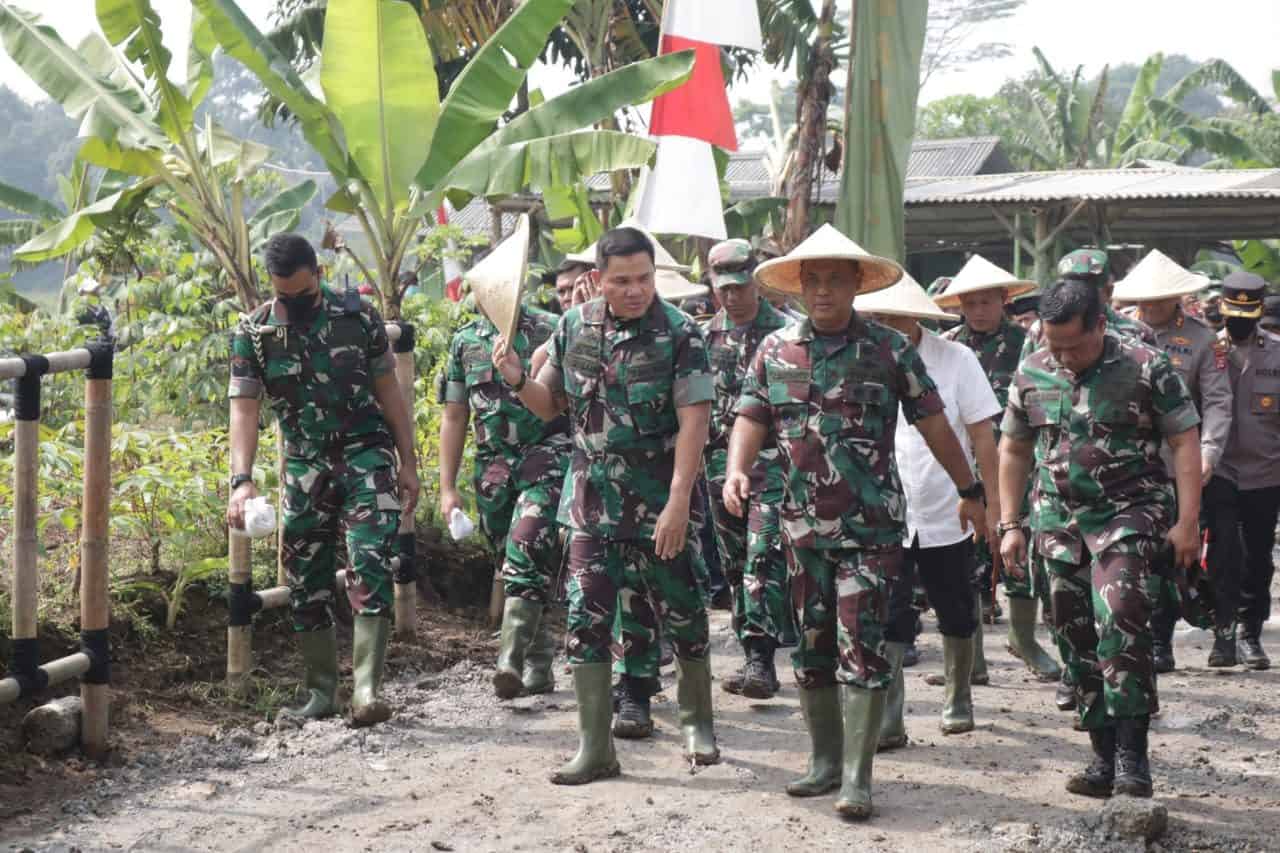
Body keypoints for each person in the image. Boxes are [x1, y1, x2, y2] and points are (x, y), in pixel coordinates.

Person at [724, 225, 986, 821]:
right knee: (811, 648)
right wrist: (737, 471)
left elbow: (935, 425)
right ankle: (822, 762)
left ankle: (857, 778)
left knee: (862, 647)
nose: (822, 291)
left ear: (855, 285)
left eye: (834, 280)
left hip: (870, 532)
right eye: (811, 280)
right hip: (798, 529)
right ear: (798, 288)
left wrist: (971, 490)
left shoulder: (889, 350)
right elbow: (750, 415)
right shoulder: (775, 350)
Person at [493, 226, 718, 784]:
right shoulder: (573, 327)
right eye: (622, 281)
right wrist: (518, 379)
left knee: (683, 611)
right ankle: (595, 747)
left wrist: (678, 502)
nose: (636, 290)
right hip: (591, 502)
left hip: (659, 500)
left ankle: (697, 724)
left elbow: (695, 420)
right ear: (598, 280)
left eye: (644, 278)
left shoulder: (681, 333)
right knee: (585, 619)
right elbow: (551, 405)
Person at [999, 278, 1201, 799]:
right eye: (1053, 343)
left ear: (1101, 325)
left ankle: (1134, 756)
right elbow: (1015, 449)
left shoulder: (1145, 366)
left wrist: (1188, 522)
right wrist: (1009, 524)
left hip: (1128, 515)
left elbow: (1183, 440)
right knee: (1073, 633)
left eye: (1073, 344)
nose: (1063, 356)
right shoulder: (1033, 369)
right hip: (1057, 523)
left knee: (1122, 621)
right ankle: (1102, 755)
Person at [227, 233, 420, 726]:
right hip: (305, 467)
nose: (292, 305)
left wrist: (408, 461)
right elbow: (244, 410)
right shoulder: (254, 333)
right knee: (305, 580)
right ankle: (320, 693)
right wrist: (241, 480)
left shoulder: (357, 318)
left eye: (302, 294)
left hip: (365, 454)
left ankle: (367, 689)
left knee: (371, 560)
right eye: (282, 296)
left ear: (318, 273)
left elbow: (388, 392)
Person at [857, 274, 1002, 747]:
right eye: (876, 317)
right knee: (890, 613)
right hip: (887, 510)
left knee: (956, 605)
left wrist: (989, 500)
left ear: (915, 315)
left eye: (892, 317)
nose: (884, 326)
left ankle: (958, 696)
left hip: (947, 505)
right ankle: (891, 717)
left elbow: (983, 433)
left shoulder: (957, 360)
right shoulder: (863, 357)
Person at [1019, 248, 1157, 713]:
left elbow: (1172, 428)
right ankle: (1084, 691)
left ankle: (1128, 735)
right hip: (1060, 505)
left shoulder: (1139, 344)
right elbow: (1025, 423)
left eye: (1093, 282)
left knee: (1121, 610)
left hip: (1124, 502)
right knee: (1067, 614)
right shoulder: (1041, 343)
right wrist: (1012, 518)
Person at [438, 297, 571, 699]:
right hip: (493, 466)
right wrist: (447, 488)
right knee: (508, 558)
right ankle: (540, 662)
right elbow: (455, 415)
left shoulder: (552, 329)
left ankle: (509, 660)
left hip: (546, 453)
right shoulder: (464, 342)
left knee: (527, 545)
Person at [937, 256, 1060, 684]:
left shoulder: (1028, 343)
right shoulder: (948, 343)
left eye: (986, 301)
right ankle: (972, 660)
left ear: (1004, 300)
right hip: (962, 466)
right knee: (962, 560)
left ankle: (1022, 639)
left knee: (1016, 550)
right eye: (970, 303)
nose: (978, 310)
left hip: (1012, 462)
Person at [1113, 251, 1236, 671]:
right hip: (1128, 466)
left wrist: (1209, 453)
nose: (1148, 310)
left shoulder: (1203, 341)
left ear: (1177, 298)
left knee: (1177, 554)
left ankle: (1187, 634)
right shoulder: (1118, 334)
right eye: (1142, 301)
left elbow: (1218, 402)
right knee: (1135, 557)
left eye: (1157, 301)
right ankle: (1144, 639)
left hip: (1180, 466)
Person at [701, 238, 794, 700]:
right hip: (720, 469)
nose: (733, 297)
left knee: (765, 554)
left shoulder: (787, 335)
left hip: (777, 468)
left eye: (741, 287)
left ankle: (762, 657)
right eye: (724, 289)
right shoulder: (704, 338)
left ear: (756, 282)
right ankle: (753, 646)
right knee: (737, 564)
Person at [1216, 272, 1280, 670]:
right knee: (1222, 554)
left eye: (1246, 313)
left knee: (1258, 556)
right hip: (1216, 470)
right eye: (1231, 313)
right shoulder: (1207, 349)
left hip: (1266, 473)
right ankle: (1223, 633)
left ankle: (1250, 634)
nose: (1238, 321)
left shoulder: (1276, 353)